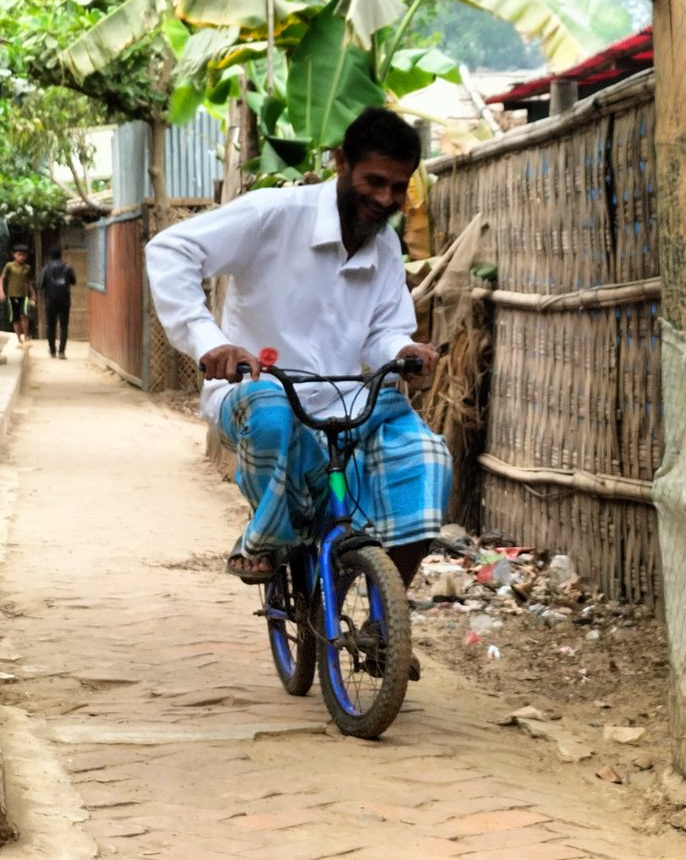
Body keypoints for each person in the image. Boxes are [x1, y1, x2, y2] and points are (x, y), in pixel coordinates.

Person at [145, 107, 451, 613]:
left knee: (428, 457)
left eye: (398, 188)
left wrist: (403, 352)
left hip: (346, 401)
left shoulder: (386, 247)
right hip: (254, 391)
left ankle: (384, 618)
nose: (386, 199)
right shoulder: (274, 213)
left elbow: (383, 333)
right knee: (270, 410)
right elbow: (170, 249)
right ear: (340, 162)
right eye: (374, 181)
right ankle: (266, 537)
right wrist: (209, 342)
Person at [39, 248, 77, 358]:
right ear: (61, 256)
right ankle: (61, 352)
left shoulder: (46, 268)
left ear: (50, 256)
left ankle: (52, 350)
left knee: (51, 326)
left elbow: (41, 285)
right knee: (64, 326)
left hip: (50, 301)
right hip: (65, 301)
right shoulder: (67, 267)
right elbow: (74, 282)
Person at [0, 243, 37, 344]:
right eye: (19, 254)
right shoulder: (9, 266)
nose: (21, 257)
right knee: (16, 318)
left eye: (23, 255)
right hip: (12, 295)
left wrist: (33, 293)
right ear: (14, 255)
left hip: (24, 295)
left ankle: (26, 335)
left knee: (25, 315)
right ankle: (19, 338)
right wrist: (1, 291)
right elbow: (2, 278)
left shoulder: (27, 268)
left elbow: (27, 282)